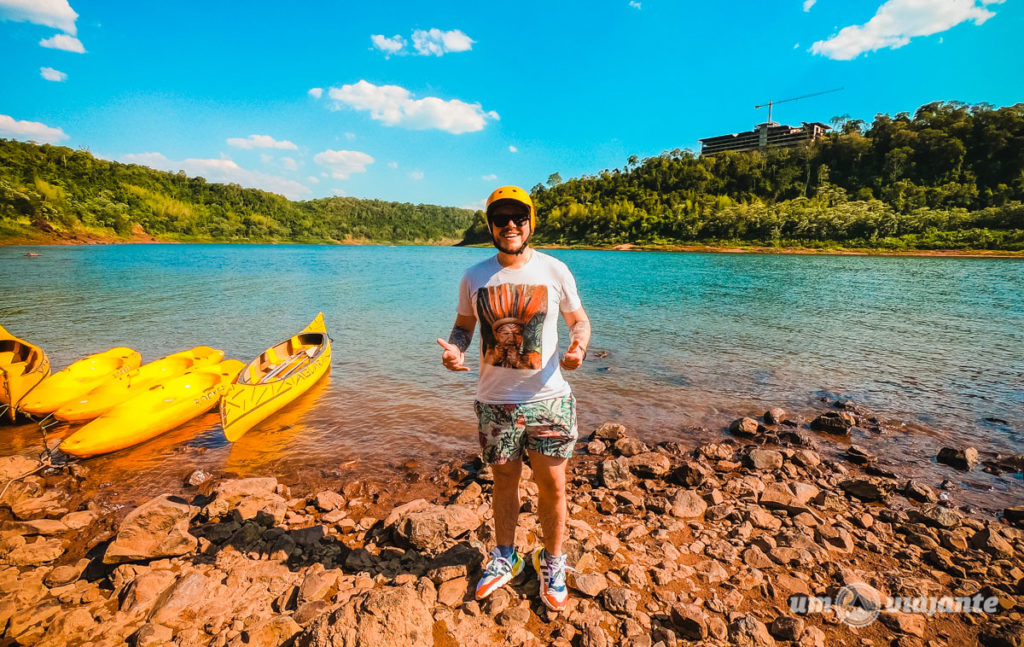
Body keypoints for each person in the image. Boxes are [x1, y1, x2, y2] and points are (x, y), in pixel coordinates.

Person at [437, 185, 591, 612]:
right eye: (500, 218)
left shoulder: (555, 270)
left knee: (553, 486)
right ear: (489, 225)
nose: (510, 226)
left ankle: (552, 560)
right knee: (503, 482)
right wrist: (455, 350)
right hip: (495, 404)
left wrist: (578, 347)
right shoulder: (474, 275)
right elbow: (464, 327)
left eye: (518, 218)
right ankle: (506, 555)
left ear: (530, 222)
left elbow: (579, 321)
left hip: (550, 401)